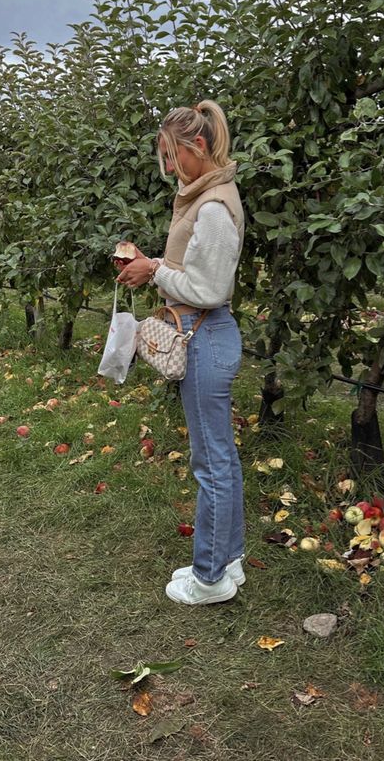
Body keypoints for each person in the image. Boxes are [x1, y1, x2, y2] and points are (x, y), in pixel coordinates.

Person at [114, 100, 245, 606]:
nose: (169, 168)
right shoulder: (204, 196)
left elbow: (207, 287)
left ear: (200, 146)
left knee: (211, 463)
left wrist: (153, 271)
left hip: (205, 334)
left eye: (173, 156)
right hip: (208, 334)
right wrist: (154, 266)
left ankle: (209, 577)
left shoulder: (212, 206)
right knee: (221, 459)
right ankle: (227, 558)